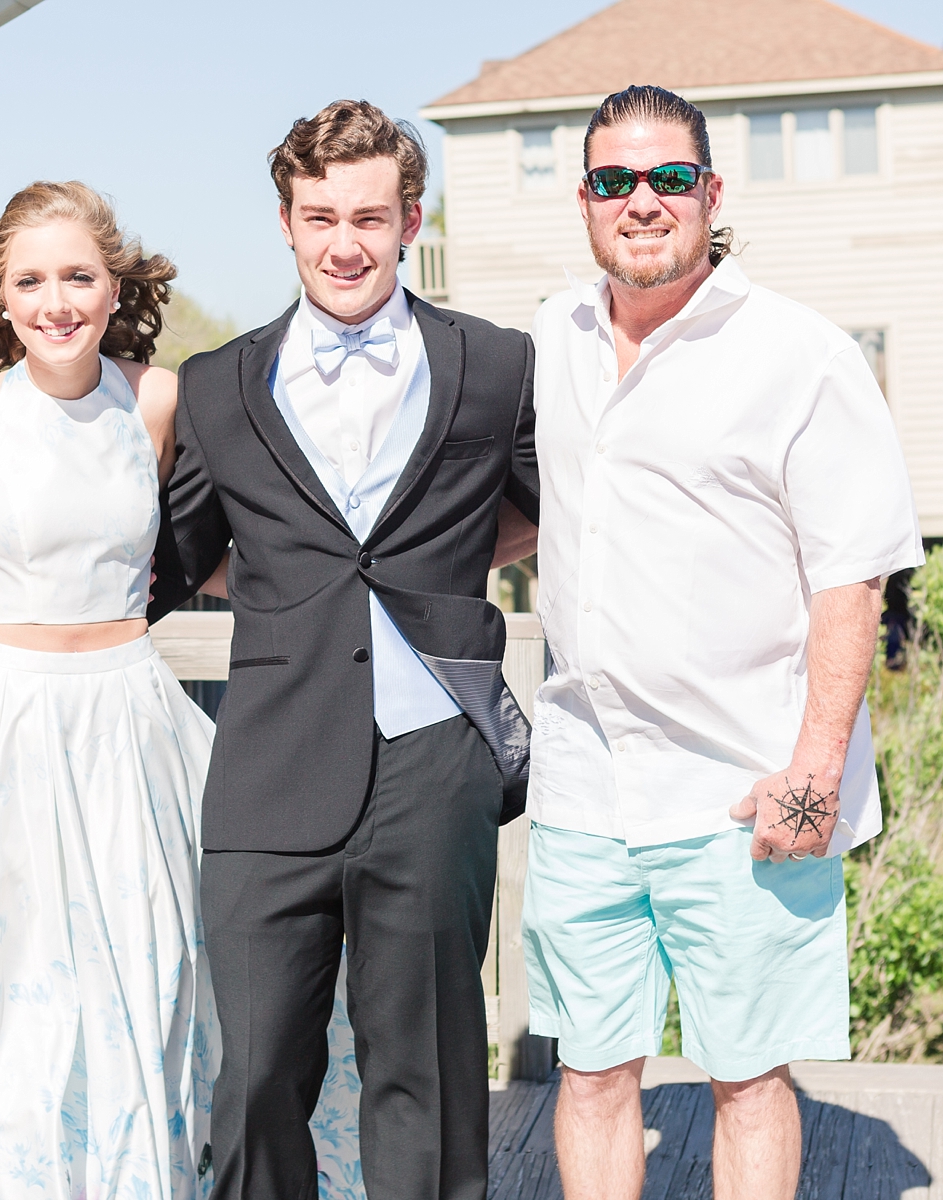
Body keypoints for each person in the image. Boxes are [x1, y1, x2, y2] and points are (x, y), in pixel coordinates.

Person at [0, 180, 374, 1200]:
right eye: (30, 280)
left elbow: (224, 545)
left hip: (130, 718)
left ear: (113, 283)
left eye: (78, 276)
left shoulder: (157, 398)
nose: (56, 301)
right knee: (13, 997)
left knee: (153, 971)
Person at [521, 85, 924, 1200]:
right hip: (585, 785)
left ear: (711, 192)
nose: (640, 201)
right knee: (591, 1072)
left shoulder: (801, 354)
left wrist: (814, 774)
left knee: (746, 1078)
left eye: (668, 178)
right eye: (613, 181)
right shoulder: (550, 337)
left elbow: (853, 576)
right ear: (587, 200)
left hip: (743, 788)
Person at [150, 100, 541, 1200]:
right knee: (259, 1071)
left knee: (427, 1073)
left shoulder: (495, 364)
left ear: (410, 218)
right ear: (285, 220)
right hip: (271, 761)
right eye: (319, 216)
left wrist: (440, 571)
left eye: (370, 216)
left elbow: (547, 510)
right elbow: (173, 560)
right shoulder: (219, 384)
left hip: (433, 761)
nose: (345, 243)